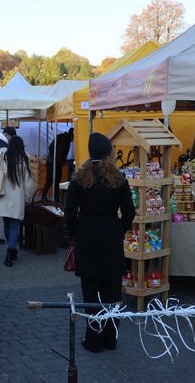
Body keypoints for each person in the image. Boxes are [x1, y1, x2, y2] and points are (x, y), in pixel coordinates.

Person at [64, 133, 135, 353]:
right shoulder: (119, 177)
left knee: (91, 293)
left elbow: (69, 213)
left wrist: (78, 232)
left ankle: (94, 341)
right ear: (109, 152)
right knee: (113, 294)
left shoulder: (79, 178)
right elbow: (130, 212)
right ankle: (110, 339)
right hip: (111, 239)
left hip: (87, 239)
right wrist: (118, 229)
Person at [0, 136, 34, 266]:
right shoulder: (24, 158)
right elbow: (28, 181)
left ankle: (10, 249)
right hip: (17, 197)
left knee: (6, 223)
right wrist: (29, 196)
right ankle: (10, 251)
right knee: (14, 225)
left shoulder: (2, 154)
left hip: (3, 195)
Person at [43, 128, 74, 201]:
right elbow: (51, 147)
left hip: (58, 164)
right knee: (50, 179)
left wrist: (63, 161)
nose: (73, 140)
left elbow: (63, 153)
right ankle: (44, 196)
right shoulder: (61, 137)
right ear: (71, 136)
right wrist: (55, 158)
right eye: (73, 138)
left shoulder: (68, 141)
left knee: (57, 181)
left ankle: (56, 200)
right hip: (51, 162)